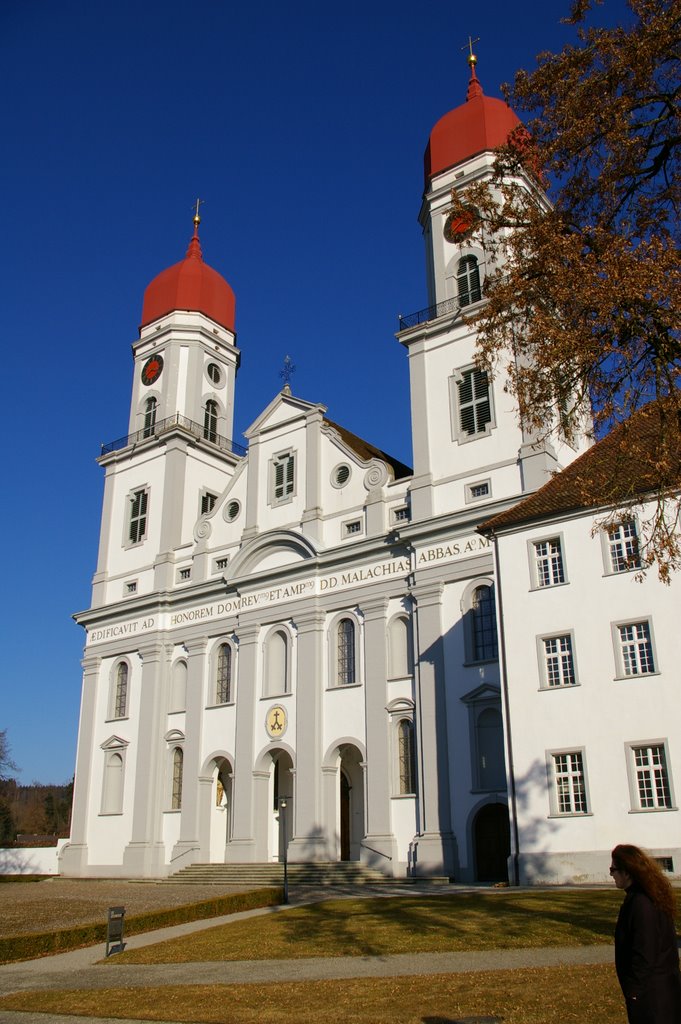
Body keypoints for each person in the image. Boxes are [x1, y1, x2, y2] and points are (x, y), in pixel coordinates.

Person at [611, 844, 681, 1023]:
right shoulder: (645, 896)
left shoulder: (641, 903)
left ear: (627, 872)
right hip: (658, 989)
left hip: (652, 994)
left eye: (614, 869)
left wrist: (634, 991)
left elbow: (644, 951)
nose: (611, 874)